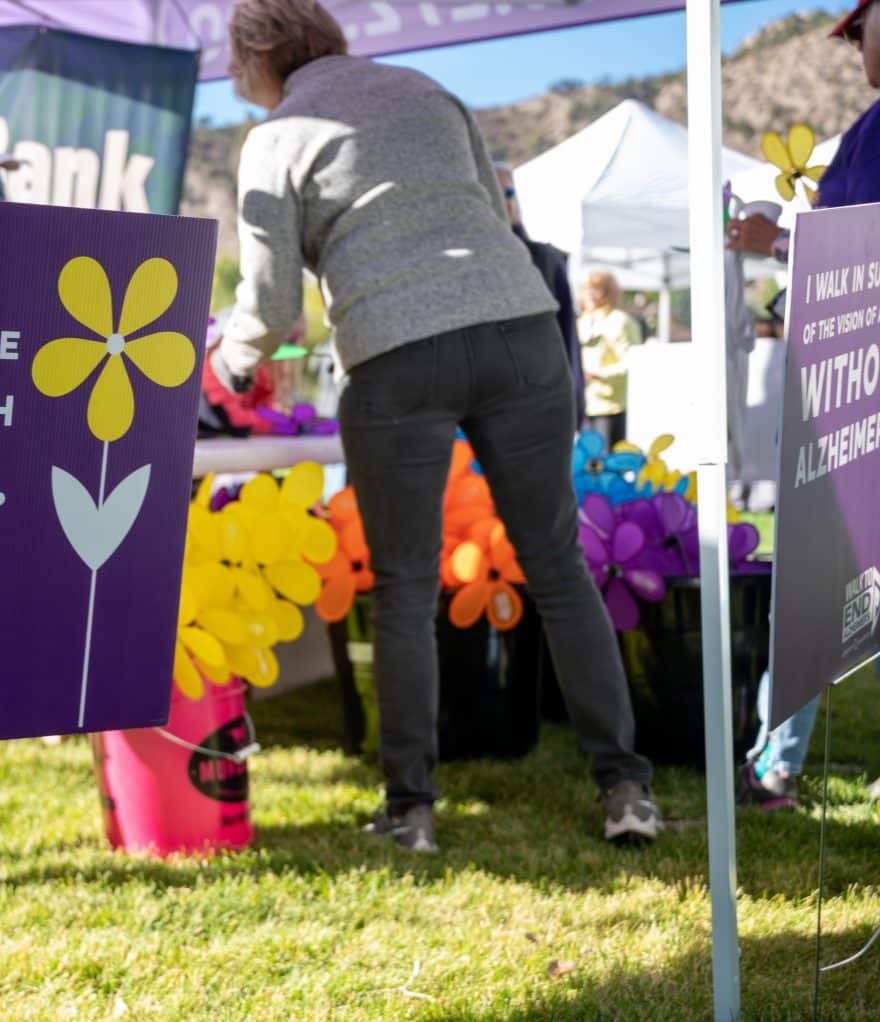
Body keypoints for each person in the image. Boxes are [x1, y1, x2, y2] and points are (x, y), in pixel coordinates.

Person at [211, 0, 659, 852]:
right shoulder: (426, 89)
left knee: (406, 587)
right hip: (520, 331)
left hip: (395, 352)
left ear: (261, 52)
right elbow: (494, 216)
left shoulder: (276, 136)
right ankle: (626, 788)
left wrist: (228, 367)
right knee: (558, 567)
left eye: (235, 62)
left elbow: (268, 306)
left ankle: (411, 810)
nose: (235, 79)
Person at [730, 0, 880, 808]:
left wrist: (780, 243)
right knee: (813, 583)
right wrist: (786, 238)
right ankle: (774, 761)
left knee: (822, 582)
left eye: (861, 30)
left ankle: (774, 761)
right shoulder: (862, 133)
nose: (855, 47)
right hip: (839, 390)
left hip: (858, 397)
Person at [493, 162, 586, 428]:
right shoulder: (456, 265)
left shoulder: (544, 259)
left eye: (509, 193)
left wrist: (575, 407)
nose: (505, 201)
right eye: (494, 191)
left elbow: (566, 338)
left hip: (538, 411)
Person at [576, 270, 641, 448]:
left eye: (597, 289)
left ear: (609, 292)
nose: (590, 295)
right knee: (586, 460)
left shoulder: (620, 321)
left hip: (611, 407)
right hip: (584, 405)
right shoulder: (581, 322)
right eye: (586, 289)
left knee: (608, 459)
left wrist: (597, 374)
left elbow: (632, 363)